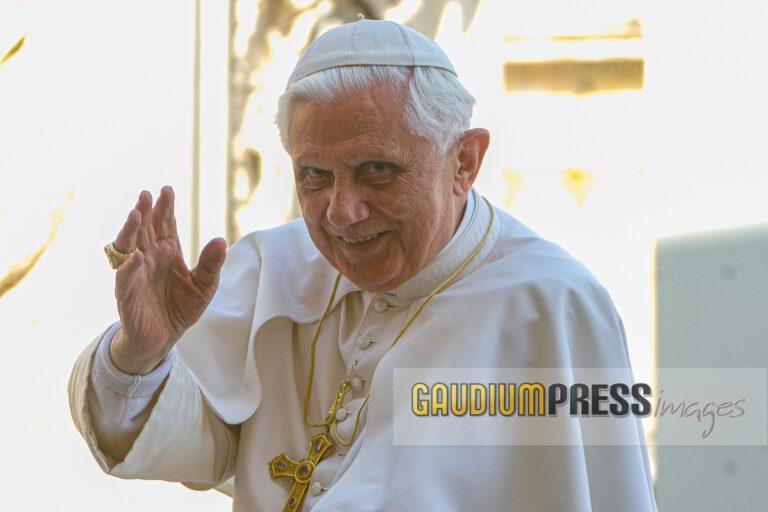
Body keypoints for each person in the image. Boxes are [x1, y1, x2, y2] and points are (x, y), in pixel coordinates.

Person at [69, 18, 658, 512]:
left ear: (464, 162)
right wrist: (141, 356)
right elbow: (187, 441)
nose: (342, 213)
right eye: (315, 177)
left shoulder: (550, 305)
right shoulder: (275, 266)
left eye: (377, 170)